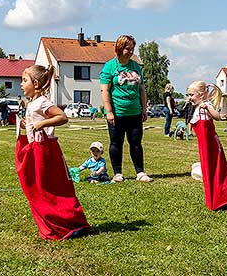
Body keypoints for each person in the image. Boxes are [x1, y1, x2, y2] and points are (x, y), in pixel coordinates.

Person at [16, 64, 89, 240]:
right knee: (37, 187)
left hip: (45, 152)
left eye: (24, 80)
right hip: (35, 149)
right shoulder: (32, 103)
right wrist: (28, 125)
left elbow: (62, 117)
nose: (21, 84)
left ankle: (68, 221)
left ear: (35, 83)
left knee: (51, 188)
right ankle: (53, 221)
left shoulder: (43, 102)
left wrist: (42, 124)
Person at [100, 34, 153, 183]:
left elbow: (142, 89)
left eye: (132, 49)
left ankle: (140, 172)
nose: (130, 52)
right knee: (116, 142)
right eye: (127, 48)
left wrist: (143, 109)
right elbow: (105, 90)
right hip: (117, 113)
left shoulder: (135, 66)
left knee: (136, 142)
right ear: (119, 48)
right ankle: (117, 173)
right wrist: (109, 112)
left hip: (134, 112)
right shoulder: (110, 67)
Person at [186, 80, 227, 210]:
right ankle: (215, 198)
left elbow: (215, 115)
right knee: (208, 169)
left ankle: (221, 197)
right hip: (205, 145)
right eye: (188, 95)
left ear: (201, 95)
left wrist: (220, 116)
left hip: (210, 145)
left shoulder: (205, 105)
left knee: (214, 168)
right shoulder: (198, 107)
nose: (189, 98)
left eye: (191, 95)